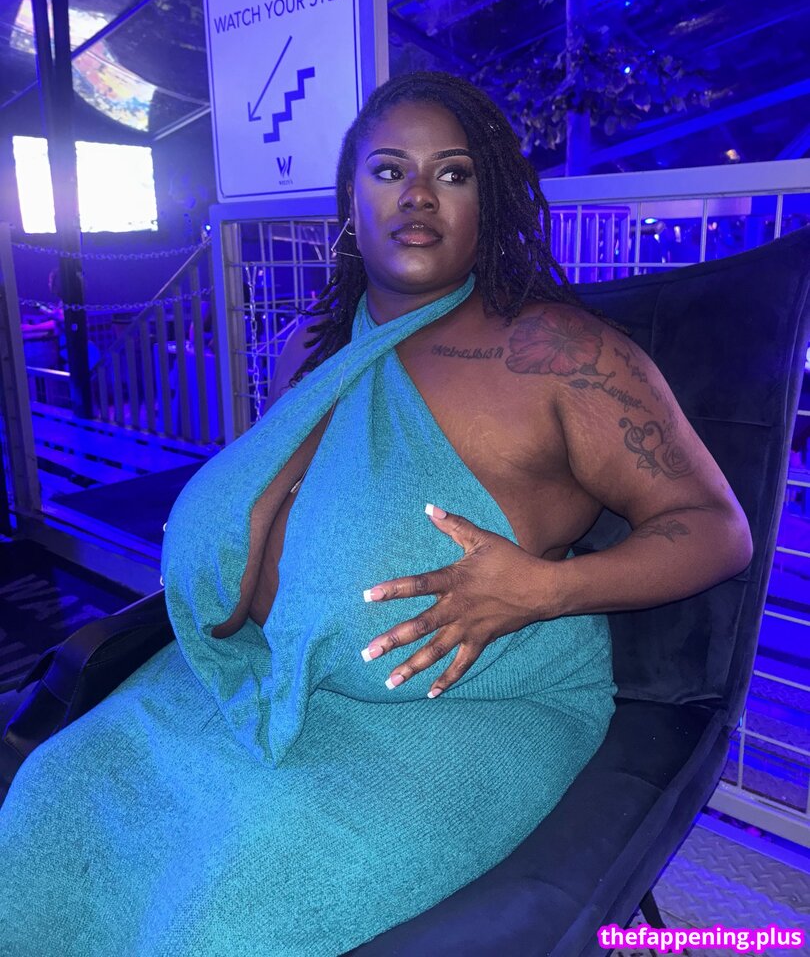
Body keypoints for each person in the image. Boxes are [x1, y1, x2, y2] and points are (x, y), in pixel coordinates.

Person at [0, 72, 753, 956]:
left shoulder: (556, 354)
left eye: (453, 173)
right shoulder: (308, 349)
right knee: (52, 793)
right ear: (351, 201)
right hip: (266, 678)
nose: (418, 196)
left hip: (468, 709)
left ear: (489, 202)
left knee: (219, 915)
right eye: (390, 170)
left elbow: (717, 527)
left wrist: (544, 590)